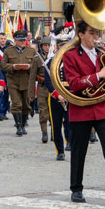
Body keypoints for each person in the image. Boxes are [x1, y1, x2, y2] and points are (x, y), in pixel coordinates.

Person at [61, 20, 105, 207]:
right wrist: (99, 75)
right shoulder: (70, 55)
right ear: (81, 35)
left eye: (96, 33)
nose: (95, 36)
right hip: (81, 108)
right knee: (79, 151)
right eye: (91, 33)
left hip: (101, 108)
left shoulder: (102, 54)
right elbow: (74, 83)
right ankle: (76, 189)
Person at [1, 29, 40, 137]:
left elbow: (38, 65)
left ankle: (23, 124)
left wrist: (30, 67)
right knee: (16, 104)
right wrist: (13, 66)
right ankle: (18, 126)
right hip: (13, 81)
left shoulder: (31, 51)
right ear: (15, 40)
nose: (23, 42)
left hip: (27, 81)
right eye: (20, 40)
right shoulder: (8, 51)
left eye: (24, 40)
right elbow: (3, 65)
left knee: (26, 105)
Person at [39, 33, 70, 161]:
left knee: (69, 123)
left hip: (69, 95)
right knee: (56, 125)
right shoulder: (51, 62)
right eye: (61, 45)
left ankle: (69, 142)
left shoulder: (72, 61)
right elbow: (48, 81)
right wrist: (57, 95)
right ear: (57, 47)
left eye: (65, 45)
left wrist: (69, 95)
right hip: (55, 97)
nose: (63, 48)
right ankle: (60, 151)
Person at [0, 38, 11, 121]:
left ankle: (4, 112)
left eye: (4, 38)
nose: (3, 40)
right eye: (1, 39)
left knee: (7, 94)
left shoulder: (9, 49)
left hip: (8, 73)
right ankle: (0, 112)